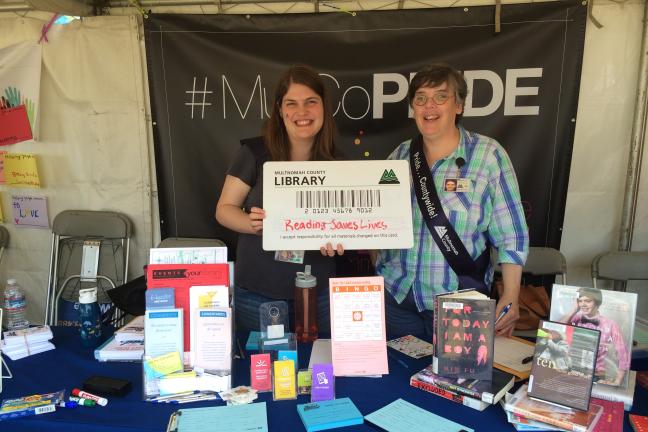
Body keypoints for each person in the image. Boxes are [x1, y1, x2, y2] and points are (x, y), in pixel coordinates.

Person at [375, 63, 529, 338]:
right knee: (395, 377)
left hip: (459, 306)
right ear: (413, 109)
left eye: (440, 97)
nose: (429, 106)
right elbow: (375, 219)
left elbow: (512, 235)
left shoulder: (488, 156)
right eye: (421, 99)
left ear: (459, 106)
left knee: (453, 381)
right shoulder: (399, 157)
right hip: (397, 302)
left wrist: (512, 294)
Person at [215, 64, 343, 335]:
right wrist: (252, 223)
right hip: (259, 292)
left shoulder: (337, 162)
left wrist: (342, 238)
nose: (302, 112)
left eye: (311, 102)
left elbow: (345, 224)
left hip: (318, 293)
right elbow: (224, 210)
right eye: (292, 103)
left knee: (316, 372)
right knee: (261, 375)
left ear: (323, 107)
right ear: (280, 109)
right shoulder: (255, 152)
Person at [562, 287, 630, 386]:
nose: (583, 304)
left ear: (597, 303)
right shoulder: (575, 318)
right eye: (580, 301)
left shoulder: (610, 324)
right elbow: (555, 329)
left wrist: (617, 381)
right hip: (572, 370)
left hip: (596, 375)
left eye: (587, 301)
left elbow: (622, 352)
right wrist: (573, 309)